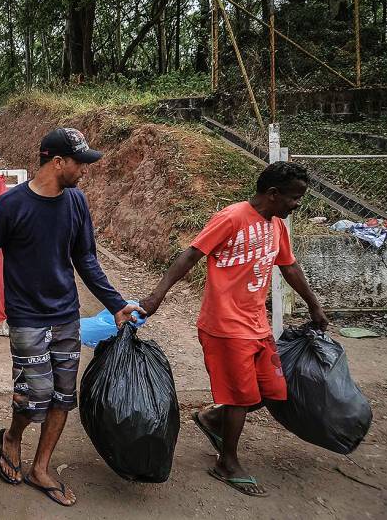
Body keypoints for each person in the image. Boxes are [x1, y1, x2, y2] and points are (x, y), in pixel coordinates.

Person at [0, 128, 139, 507]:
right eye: (80, 163)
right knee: (36, 397)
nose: (85, 170)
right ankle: (12, 437)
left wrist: (115, 303)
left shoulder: (76, 203)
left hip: (66, 314)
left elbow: (86, 260)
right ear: (57, 162)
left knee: (64, 396)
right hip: (27, 317)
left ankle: (41, 467)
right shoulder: (11, 205)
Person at [139, 161, 328, 498]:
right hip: (224, 325)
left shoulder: (276, 225)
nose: (297, 204)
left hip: (257, 324)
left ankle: (214, 420)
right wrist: (157, 295)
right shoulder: (231, 217)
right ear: (273, 194)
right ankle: (226, 462)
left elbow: (290, 267)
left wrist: (314, 304)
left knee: (271, 392)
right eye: (294, 197)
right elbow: (191, 255)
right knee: (240, 397)